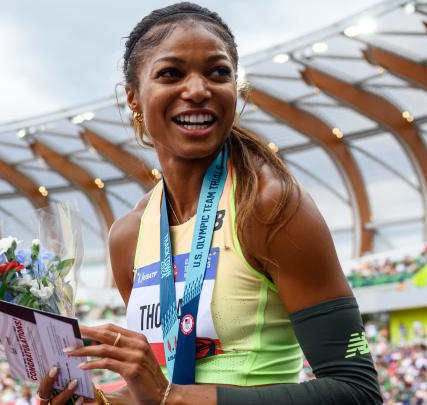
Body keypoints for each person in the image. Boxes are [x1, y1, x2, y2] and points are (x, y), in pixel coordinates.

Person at [38, 2, 381, 404]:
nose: (198, 90)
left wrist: (173, 397)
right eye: (171, 73)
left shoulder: (270, 206)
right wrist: (104, 402)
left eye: (218, 73)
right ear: (133, 97)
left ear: (236, 88)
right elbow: (162, 387)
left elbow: (357, 392)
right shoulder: (129, 235)